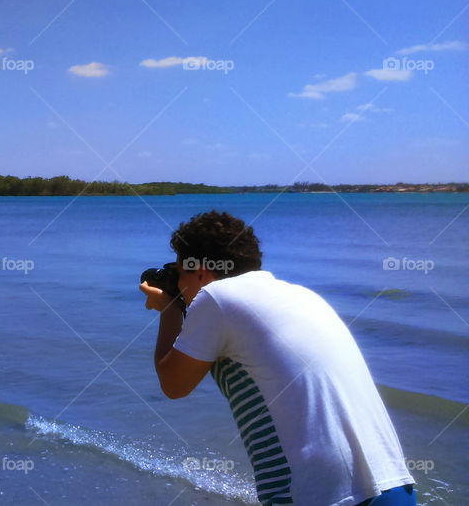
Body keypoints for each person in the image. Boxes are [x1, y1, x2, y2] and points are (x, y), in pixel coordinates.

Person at [139, 210, 416, 506]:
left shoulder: (216, 297)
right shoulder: (303, 296)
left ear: (201, 272)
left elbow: (173, 384)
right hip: (396, 486)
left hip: (323, 496)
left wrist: (169, 311)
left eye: (179, 274)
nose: (179, 286)